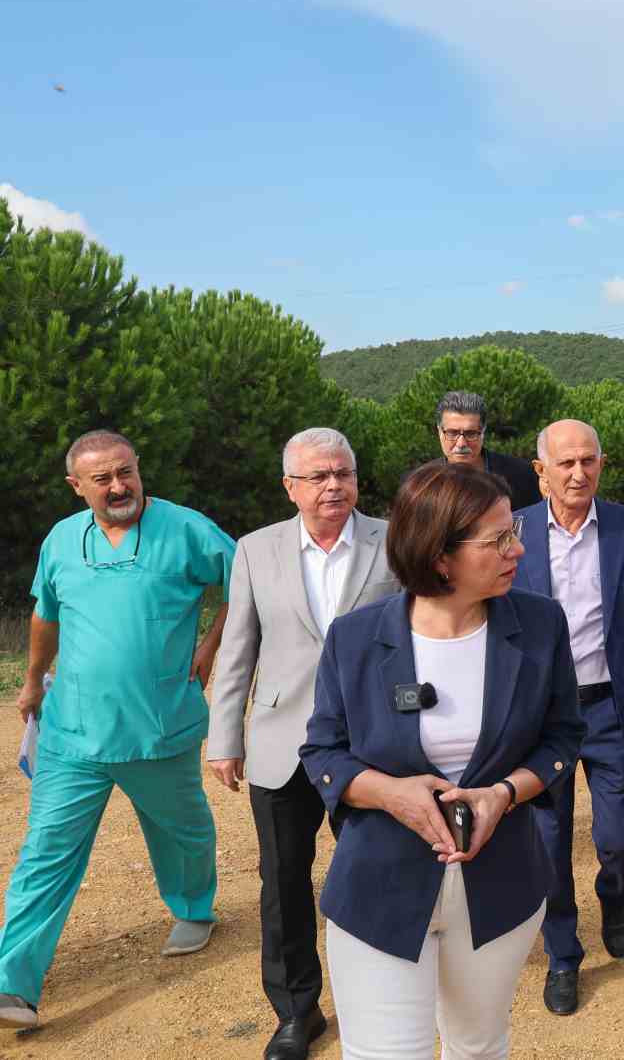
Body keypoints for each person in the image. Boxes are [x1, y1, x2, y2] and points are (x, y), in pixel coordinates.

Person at [299, 462, 585, 1060]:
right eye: (498, 539)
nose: (517, 549)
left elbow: (561, 738)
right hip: (379, 889)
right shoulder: (354, 638)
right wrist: (387, 792)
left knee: (478, 1047)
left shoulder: (540, 625)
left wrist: (502, 793)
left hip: (500, 889)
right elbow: (322, 751)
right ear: (439, 555)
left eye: (515, 533)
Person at [0, 431, 235, 1030]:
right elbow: (45, 614)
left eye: (125, 471)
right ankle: (12, 986)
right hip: (72, 734)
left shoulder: (186, 529)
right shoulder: (61, 540)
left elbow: (250, 585)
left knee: (181, 831)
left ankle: (194, 909)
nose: (119, 486)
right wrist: (32, 680)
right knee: (44, 855)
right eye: (102, 479)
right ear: (76, 487)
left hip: (158, 728)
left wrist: (212, 645)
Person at [206, 427, 401, 1060]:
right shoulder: (255, 550)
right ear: (290, 487)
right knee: (284, 884)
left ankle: (381, 994)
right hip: (280, 743)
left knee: (373, 872)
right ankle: (297, 1012)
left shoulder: (392, 540)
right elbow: (237, 648)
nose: (332, 486)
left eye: (342, 473)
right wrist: (223, 736)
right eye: (316, 477)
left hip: (369, 746)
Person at [513, 420, 624, 1017]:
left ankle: (615, 888)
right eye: (566, 463)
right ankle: (564, 957)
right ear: (540, 469)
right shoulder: (514, 529)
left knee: (618, 836)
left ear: (603, 464)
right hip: (541, 716)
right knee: (548, 844)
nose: (579, 474)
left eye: (589, 461)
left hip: (611, 705)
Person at [426, 390, 540, 510]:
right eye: (452, 433)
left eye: (471, 433)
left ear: (483, 432)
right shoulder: (423, 485)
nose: (461, 444)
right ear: (439, 432)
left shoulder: (521, 476)